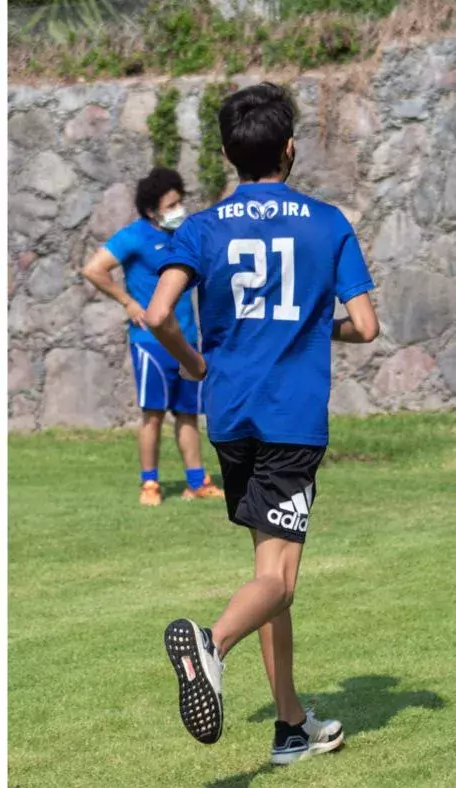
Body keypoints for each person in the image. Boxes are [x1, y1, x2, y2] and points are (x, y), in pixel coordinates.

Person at [146, 83, 378, 765]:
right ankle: (210, 646)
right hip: (290, 418)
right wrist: (313, 326)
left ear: (225, 154)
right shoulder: (327, 223)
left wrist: (192, 362)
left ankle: (290, 727)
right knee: (280, 580)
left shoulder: (203, 226)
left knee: (266, 569)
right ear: (290, 148)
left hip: (230, 414)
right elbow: (364, 326)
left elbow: (158, 314)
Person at [82, 167, 225, 507]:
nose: (179, 209)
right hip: (150, 343)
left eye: (181, 202)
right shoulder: (135, 236)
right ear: (152, 210)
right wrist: (129, 303)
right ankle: (150, 485)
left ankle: (197, 481)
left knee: (188, 413)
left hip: (187, 340)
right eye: (172, 204)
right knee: (154, 413)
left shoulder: (185, 236)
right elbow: (93, 268)